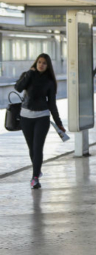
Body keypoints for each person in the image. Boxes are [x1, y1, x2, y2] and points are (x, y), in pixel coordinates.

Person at [14, 53, 65, 189]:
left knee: (38, 148)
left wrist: (58, 123)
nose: (41, 65)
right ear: (36, 63)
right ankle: (37, 170)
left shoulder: (49, 81)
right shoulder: (27, 75)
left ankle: (35, 177)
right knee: (31, 148)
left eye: (44, 63)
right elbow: (18, 88)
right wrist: (29, 75)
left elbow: (52, 104)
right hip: (26, 118)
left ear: (48, 66)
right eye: (39, 62)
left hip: (42, 117)